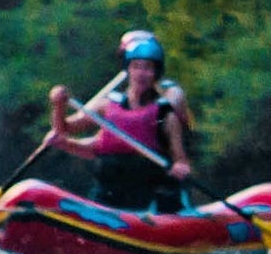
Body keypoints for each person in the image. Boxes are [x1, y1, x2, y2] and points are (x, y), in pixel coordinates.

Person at [45, 29, 194, 213]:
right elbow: (63, 130)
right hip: (108, 194)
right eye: (136, 67)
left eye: (147, 68)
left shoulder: (166, 113)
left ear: (155, 73)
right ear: (128, 70)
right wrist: (58, 105)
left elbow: (181, 160)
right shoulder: (106, 105)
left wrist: (180, 167)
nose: (141, 73)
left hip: (150, 197)